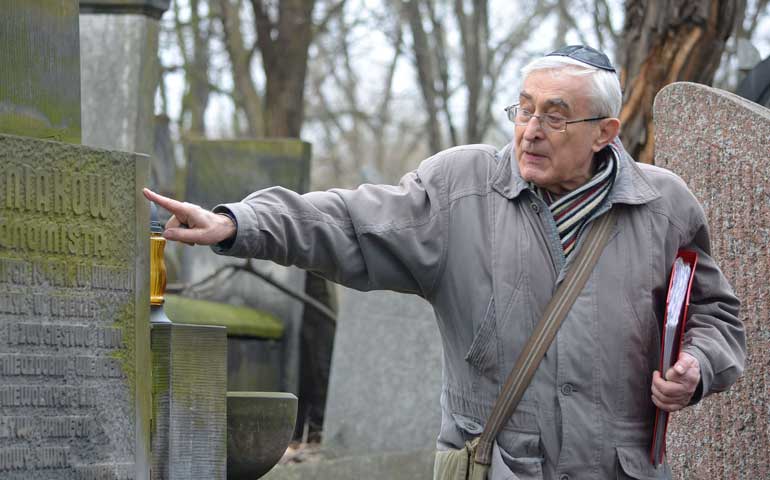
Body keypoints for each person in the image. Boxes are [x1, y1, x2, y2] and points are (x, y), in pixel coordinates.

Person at [144, 45, 746, 479]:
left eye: (556, 115)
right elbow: (350, 220)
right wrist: (240, 223)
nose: (531, 131)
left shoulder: (664, 205)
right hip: (498, 465)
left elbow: (715, 315)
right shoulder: (462, 188)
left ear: (605, 132)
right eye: (524, 109)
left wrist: (697, 364)